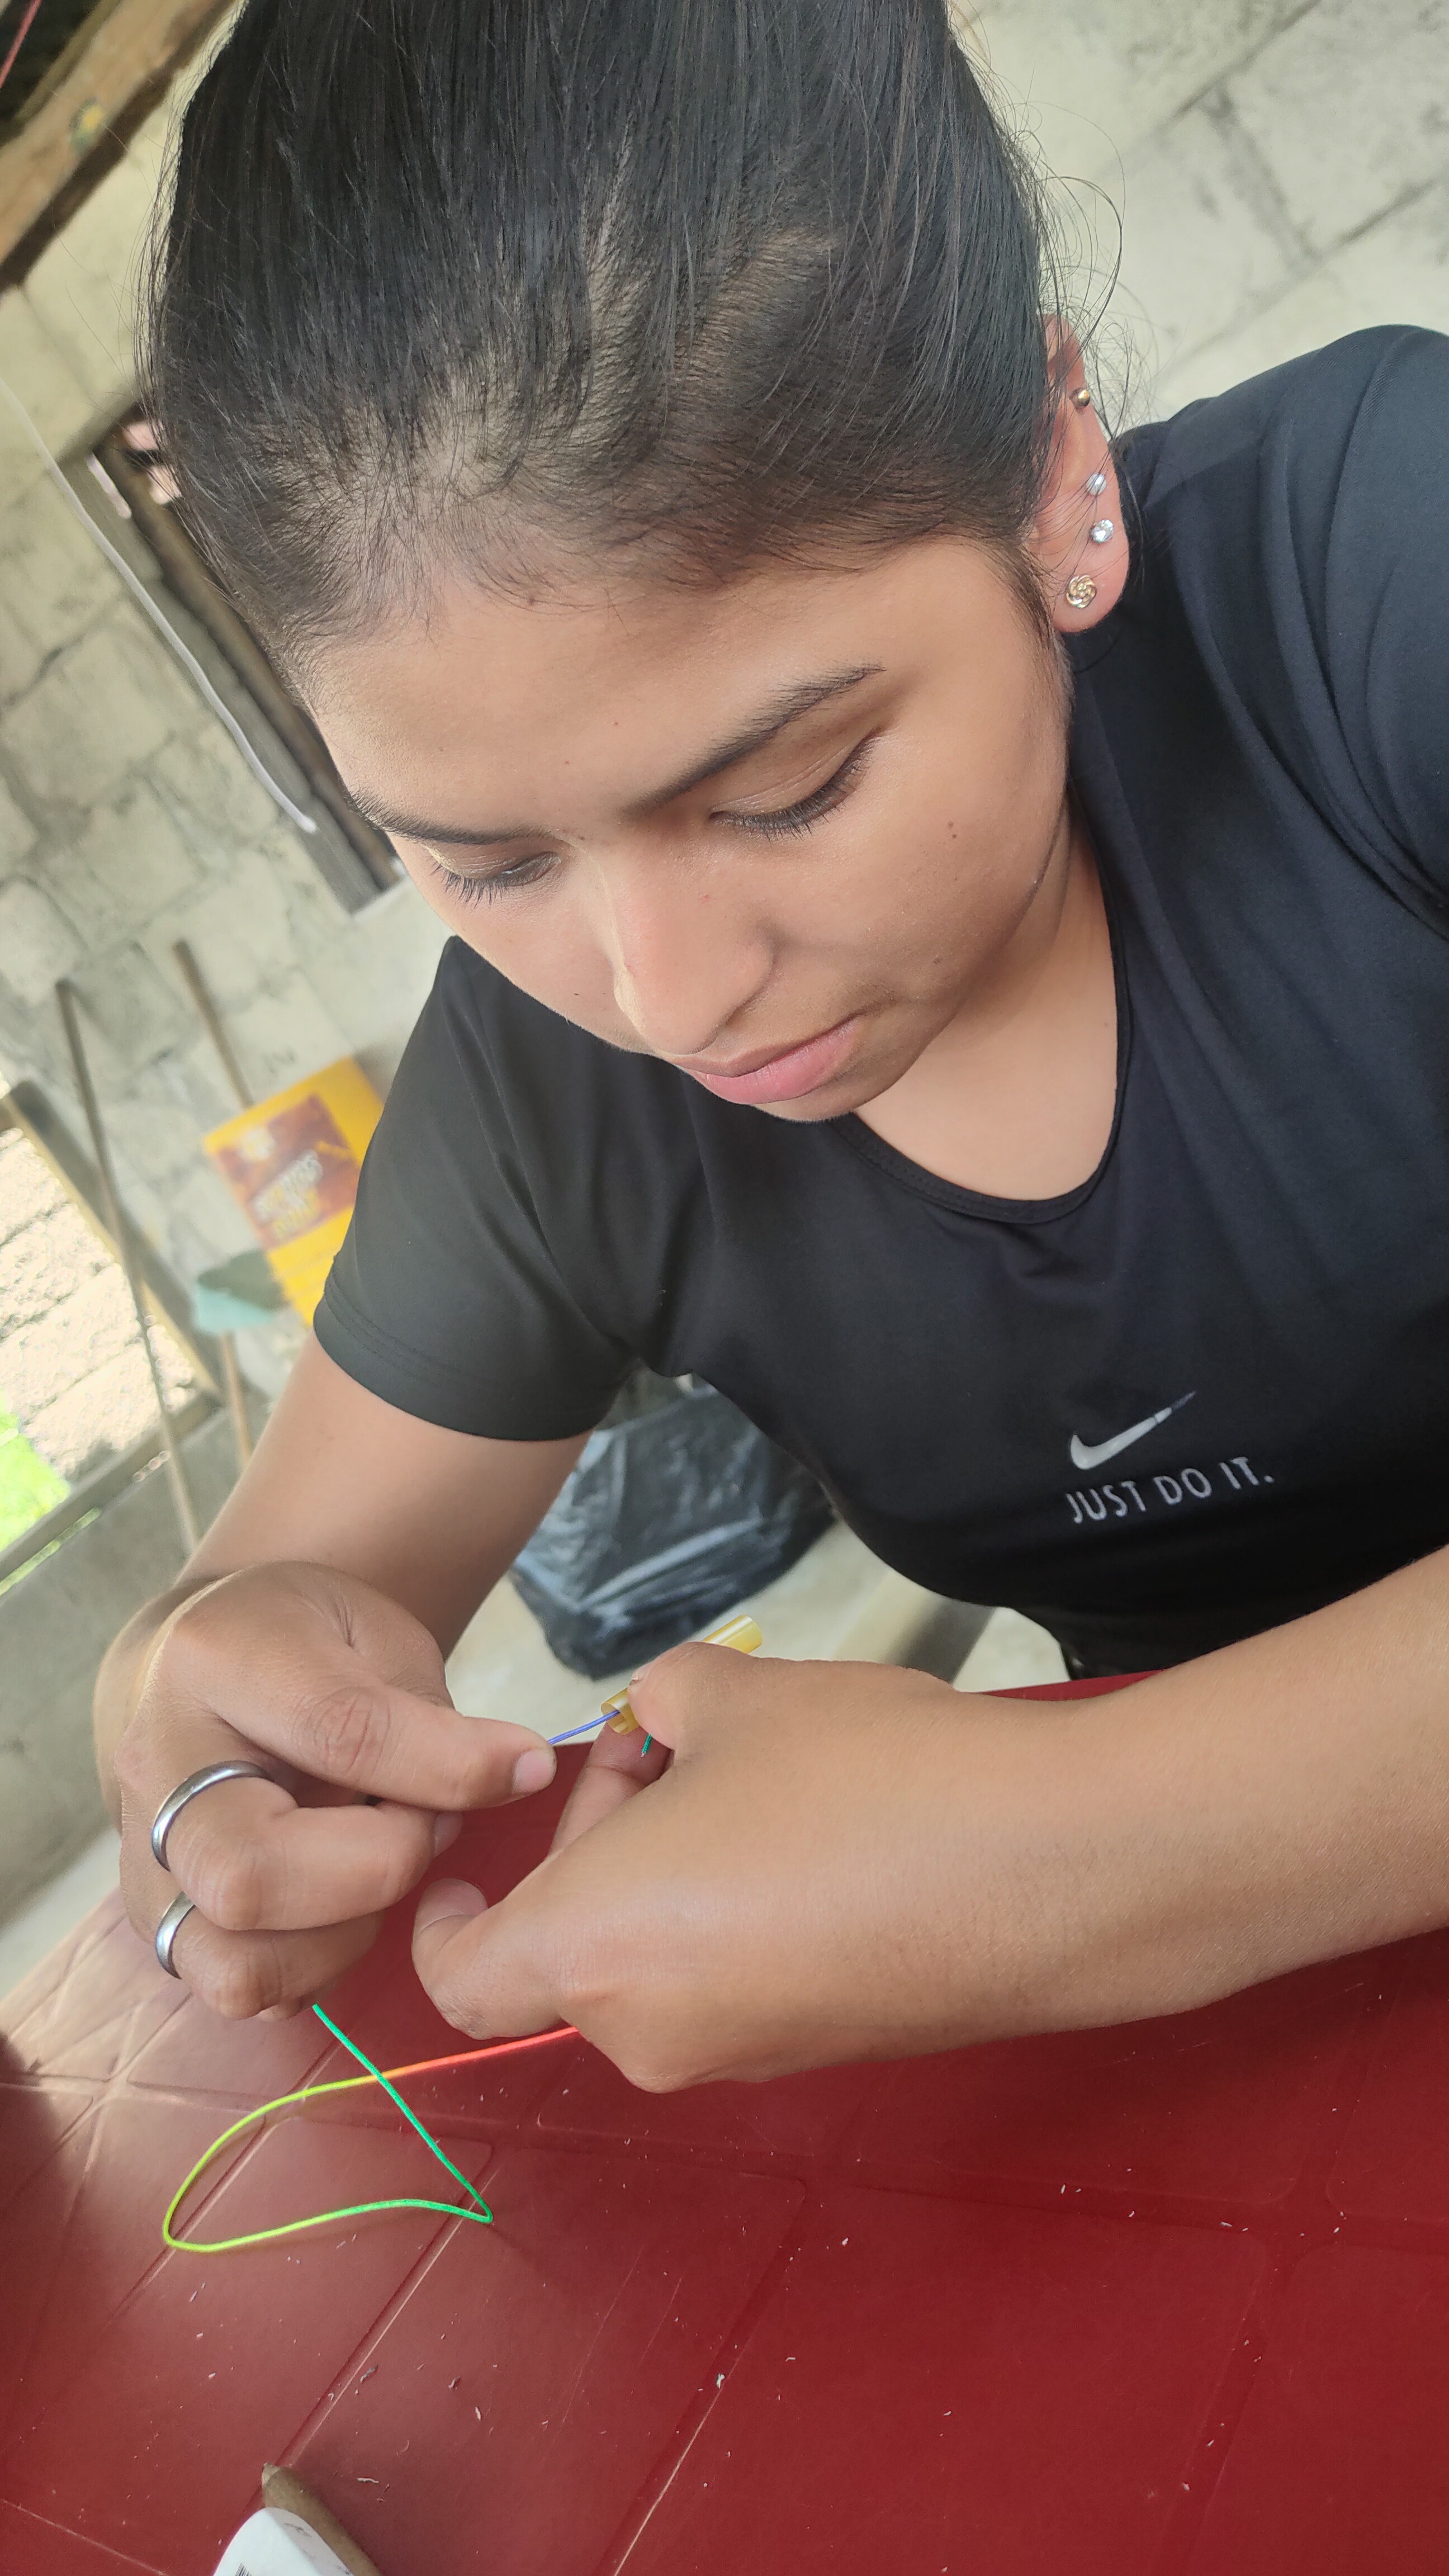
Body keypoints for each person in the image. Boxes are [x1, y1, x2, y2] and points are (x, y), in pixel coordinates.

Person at [102, 0, 1449, 2091]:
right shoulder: (546, 1094)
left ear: (1052, 472)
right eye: (487, 861)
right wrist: (192, 1716)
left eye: (788, 788)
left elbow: (1072, 1873)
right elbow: (262, 1604)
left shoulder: (1378, 567)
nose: (667, 996)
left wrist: (1069, 1859)